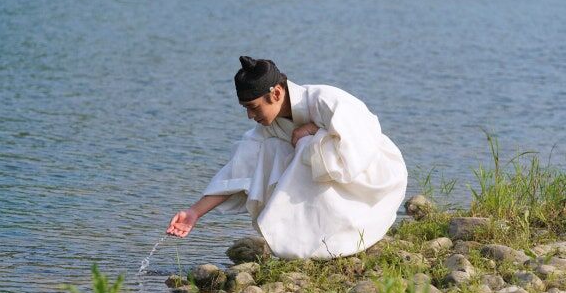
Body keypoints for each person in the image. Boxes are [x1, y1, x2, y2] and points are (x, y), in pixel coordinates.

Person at [166, 56, 408, 259]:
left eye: (253, 107)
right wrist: (194, 212)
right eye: (245, 108)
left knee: (305, 145)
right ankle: (306, 240)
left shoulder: (326, 101)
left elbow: (360, 150)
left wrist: (314, 131)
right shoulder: (269, 127)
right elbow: (238, 169)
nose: (250, 115)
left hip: (373, 179)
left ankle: (339, 234)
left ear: (276, 93)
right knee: (268, 149)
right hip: (337, 176)